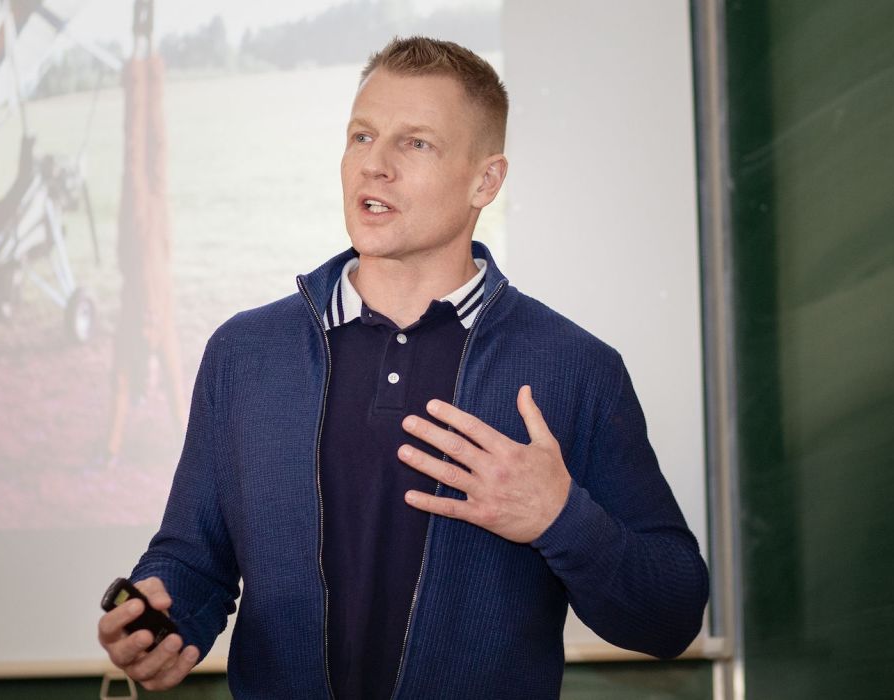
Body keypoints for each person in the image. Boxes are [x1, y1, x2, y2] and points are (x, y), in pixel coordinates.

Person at [97, 36, 710, 697]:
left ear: (487, 180)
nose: (374, 166)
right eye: (362, 136)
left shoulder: (573, 367)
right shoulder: (245, 354)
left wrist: (560, 517)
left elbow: (671, 616)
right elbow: (193, 561)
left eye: (415, 143)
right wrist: (159, 618)